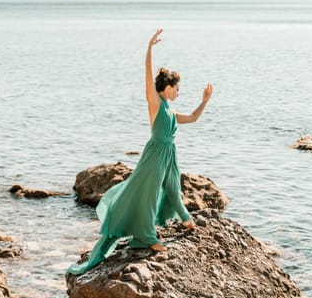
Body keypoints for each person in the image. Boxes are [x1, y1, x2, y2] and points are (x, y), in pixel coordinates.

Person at [67, 29, 213, 275]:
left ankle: (187, 220)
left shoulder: (170, 111)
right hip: (155, 155)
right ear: (167, 87)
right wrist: (149, 48)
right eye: (177, 88)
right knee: (147, 195)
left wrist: (205, 100)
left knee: (172, 189)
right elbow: (147, 75)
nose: (179, 92)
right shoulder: (156, 102)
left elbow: (195, 118)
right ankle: (145, 238)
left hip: (169, 155)